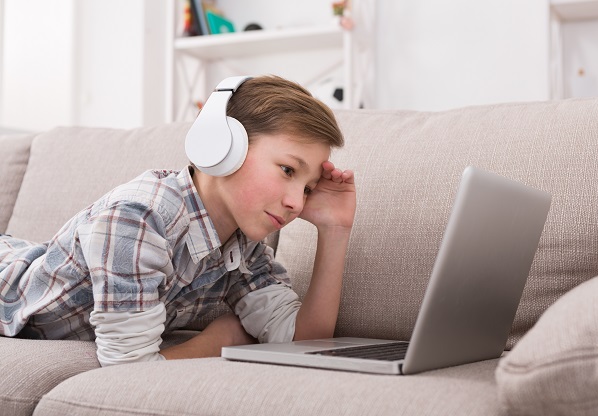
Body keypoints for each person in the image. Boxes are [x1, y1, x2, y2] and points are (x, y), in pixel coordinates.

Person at [0, 75, 356, 367]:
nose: (296, 203)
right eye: (287, 170)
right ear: (220, 146)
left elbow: (303, 342)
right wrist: (220, 341)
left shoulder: (243, 250)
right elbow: (128, 374)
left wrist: (335, 230)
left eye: (308, 188)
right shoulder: (138, 220)